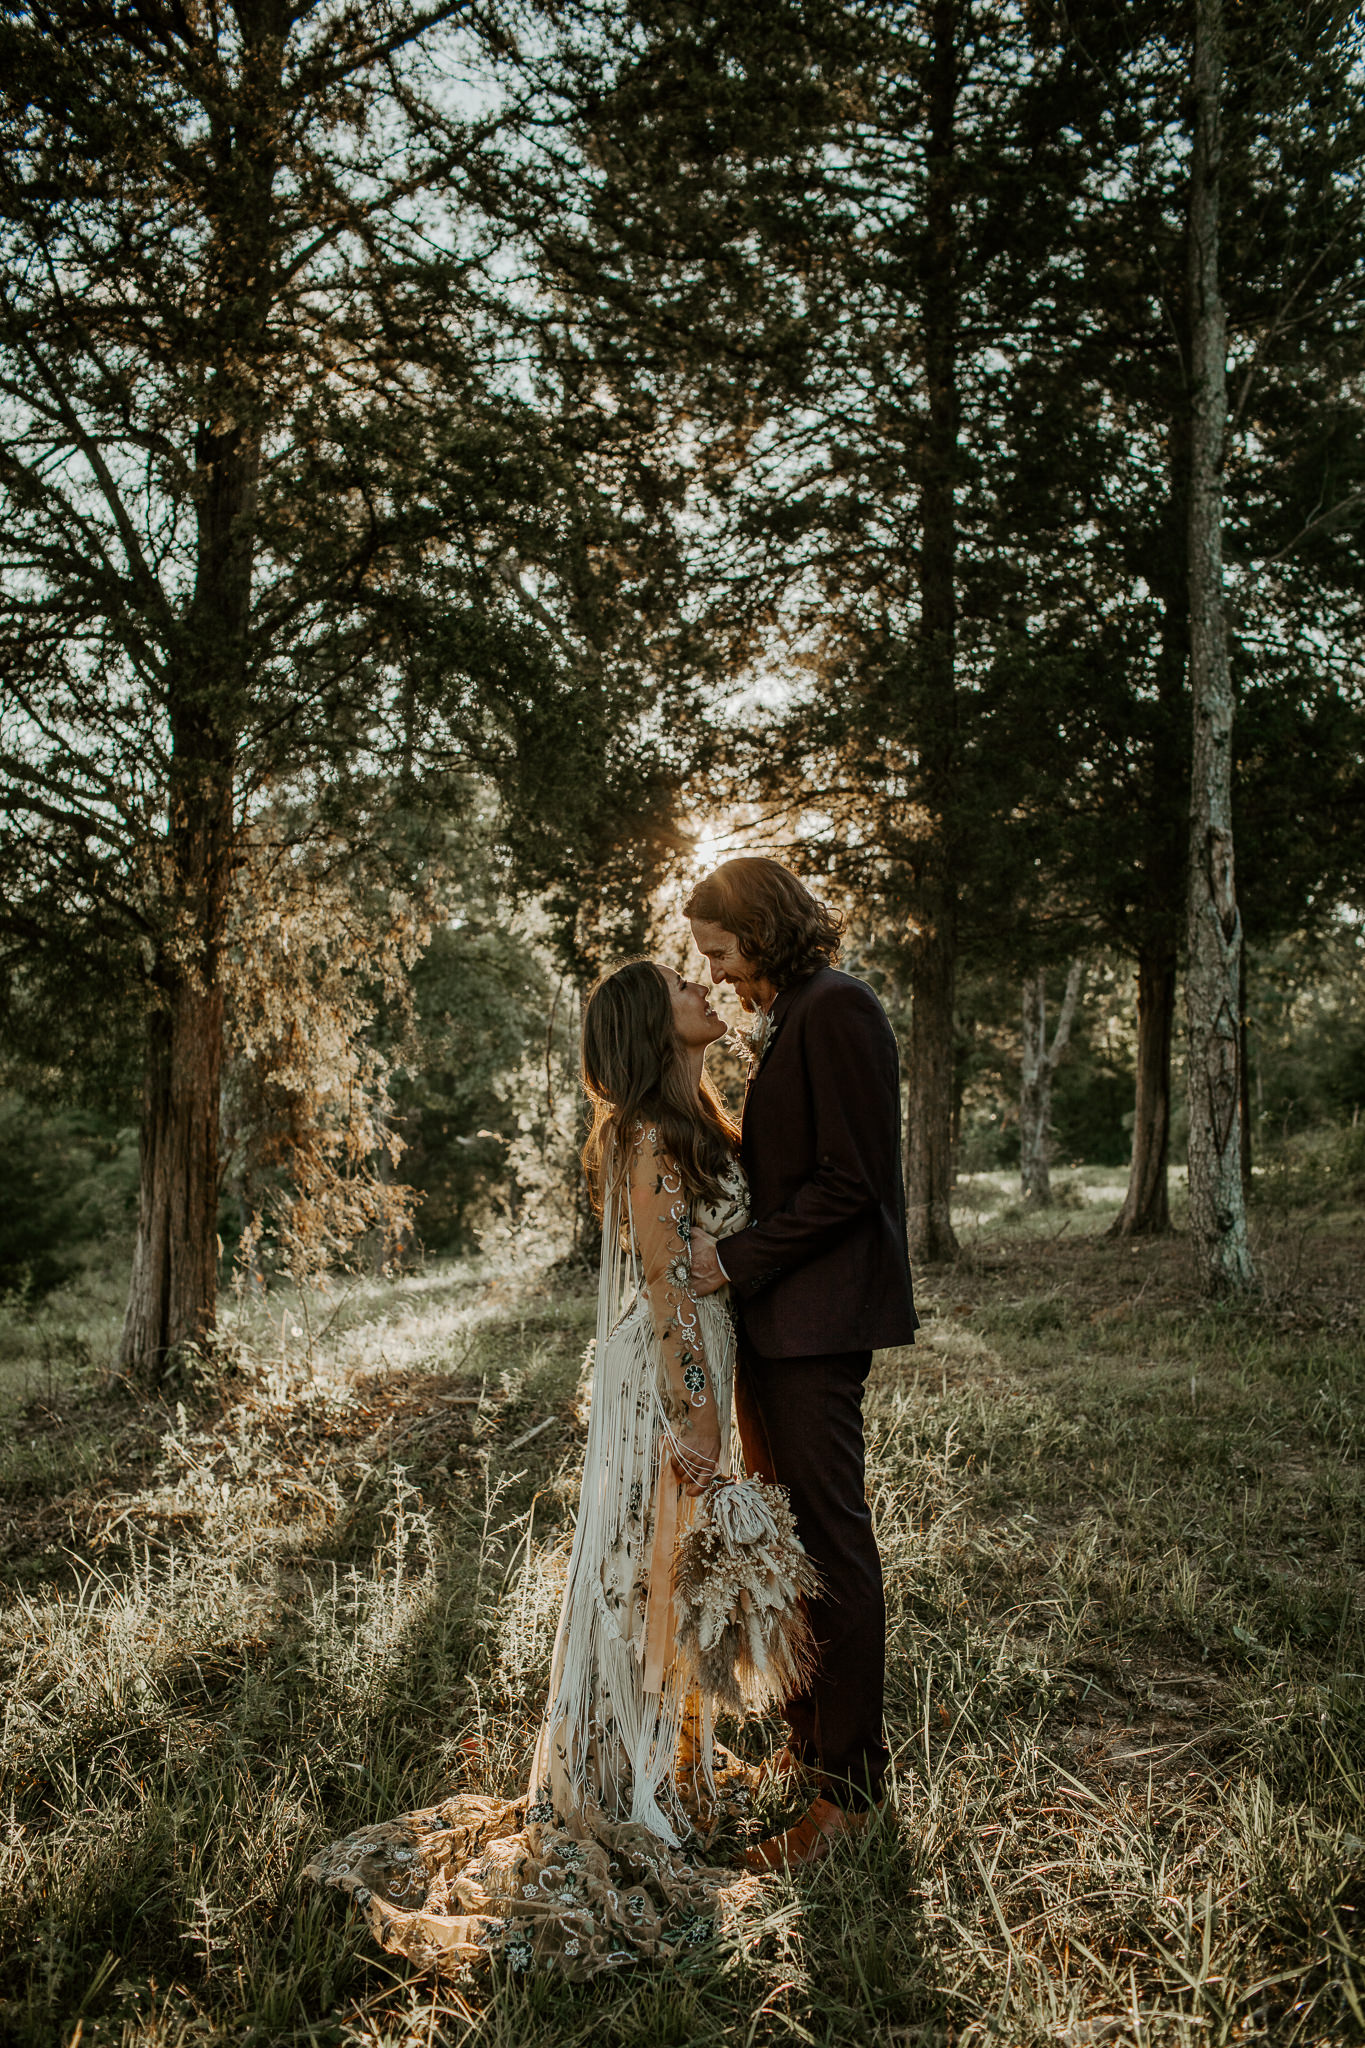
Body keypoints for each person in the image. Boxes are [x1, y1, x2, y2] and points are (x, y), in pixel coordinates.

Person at [307, 960, 756, 1977]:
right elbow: (670, 1283)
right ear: (652, 1027)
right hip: (672, 1384)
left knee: (674, 1581)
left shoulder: (701, 1122)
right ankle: (629, 1785)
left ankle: (667, 1770)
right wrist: (700, 1413)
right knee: (651, 1571)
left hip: (704, 1364)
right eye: (681, 984)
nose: (701, 984)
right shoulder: (648, 1141)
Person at [684, 856, 919, 1870]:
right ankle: (812, 1747)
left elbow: (851, 1183)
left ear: (766, 932)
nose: (719, 973)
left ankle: (851, 1792)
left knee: (832, 1541)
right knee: (795, 1548)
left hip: (819, 1326)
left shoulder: (839, 1008)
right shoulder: (792, 1014)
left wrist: (731, 1257)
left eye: (722, 951)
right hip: (778, 1327)